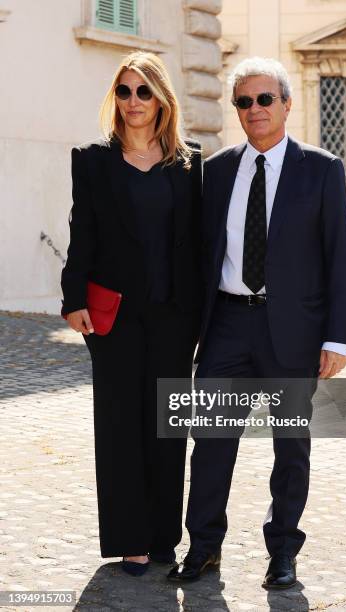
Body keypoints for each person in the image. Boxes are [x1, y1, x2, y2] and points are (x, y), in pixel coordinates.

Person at [168, 57, 346, 588]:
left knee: (290, 447)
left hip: (292, 332)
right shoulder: (218, 169)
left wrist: (338, 336)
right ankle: (203, 548)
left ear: (286, 104)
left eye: (264, 99)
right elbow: (200, 254)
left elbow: (339, 257)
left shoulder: (322, 169)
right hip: (227, 326)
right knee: (210, 443)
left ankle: (283, 551)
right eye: (244, 102)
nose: (254, 110)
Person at [61, 51, 203, 576]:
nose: (133, 101)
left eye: (144, 91)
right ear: (114, 99)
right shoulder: (93, 160)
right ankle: (131, 541)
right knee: (120, 426)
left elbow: (200, 245)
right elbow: (83, 234)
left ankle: (164, 536)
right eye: (124, 91)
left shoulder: (190, 163)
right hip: (114, 317)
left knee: (168, 427)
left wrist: (204, 315)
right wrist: (72, 297)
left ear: (161, 98)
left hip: (174, 316)